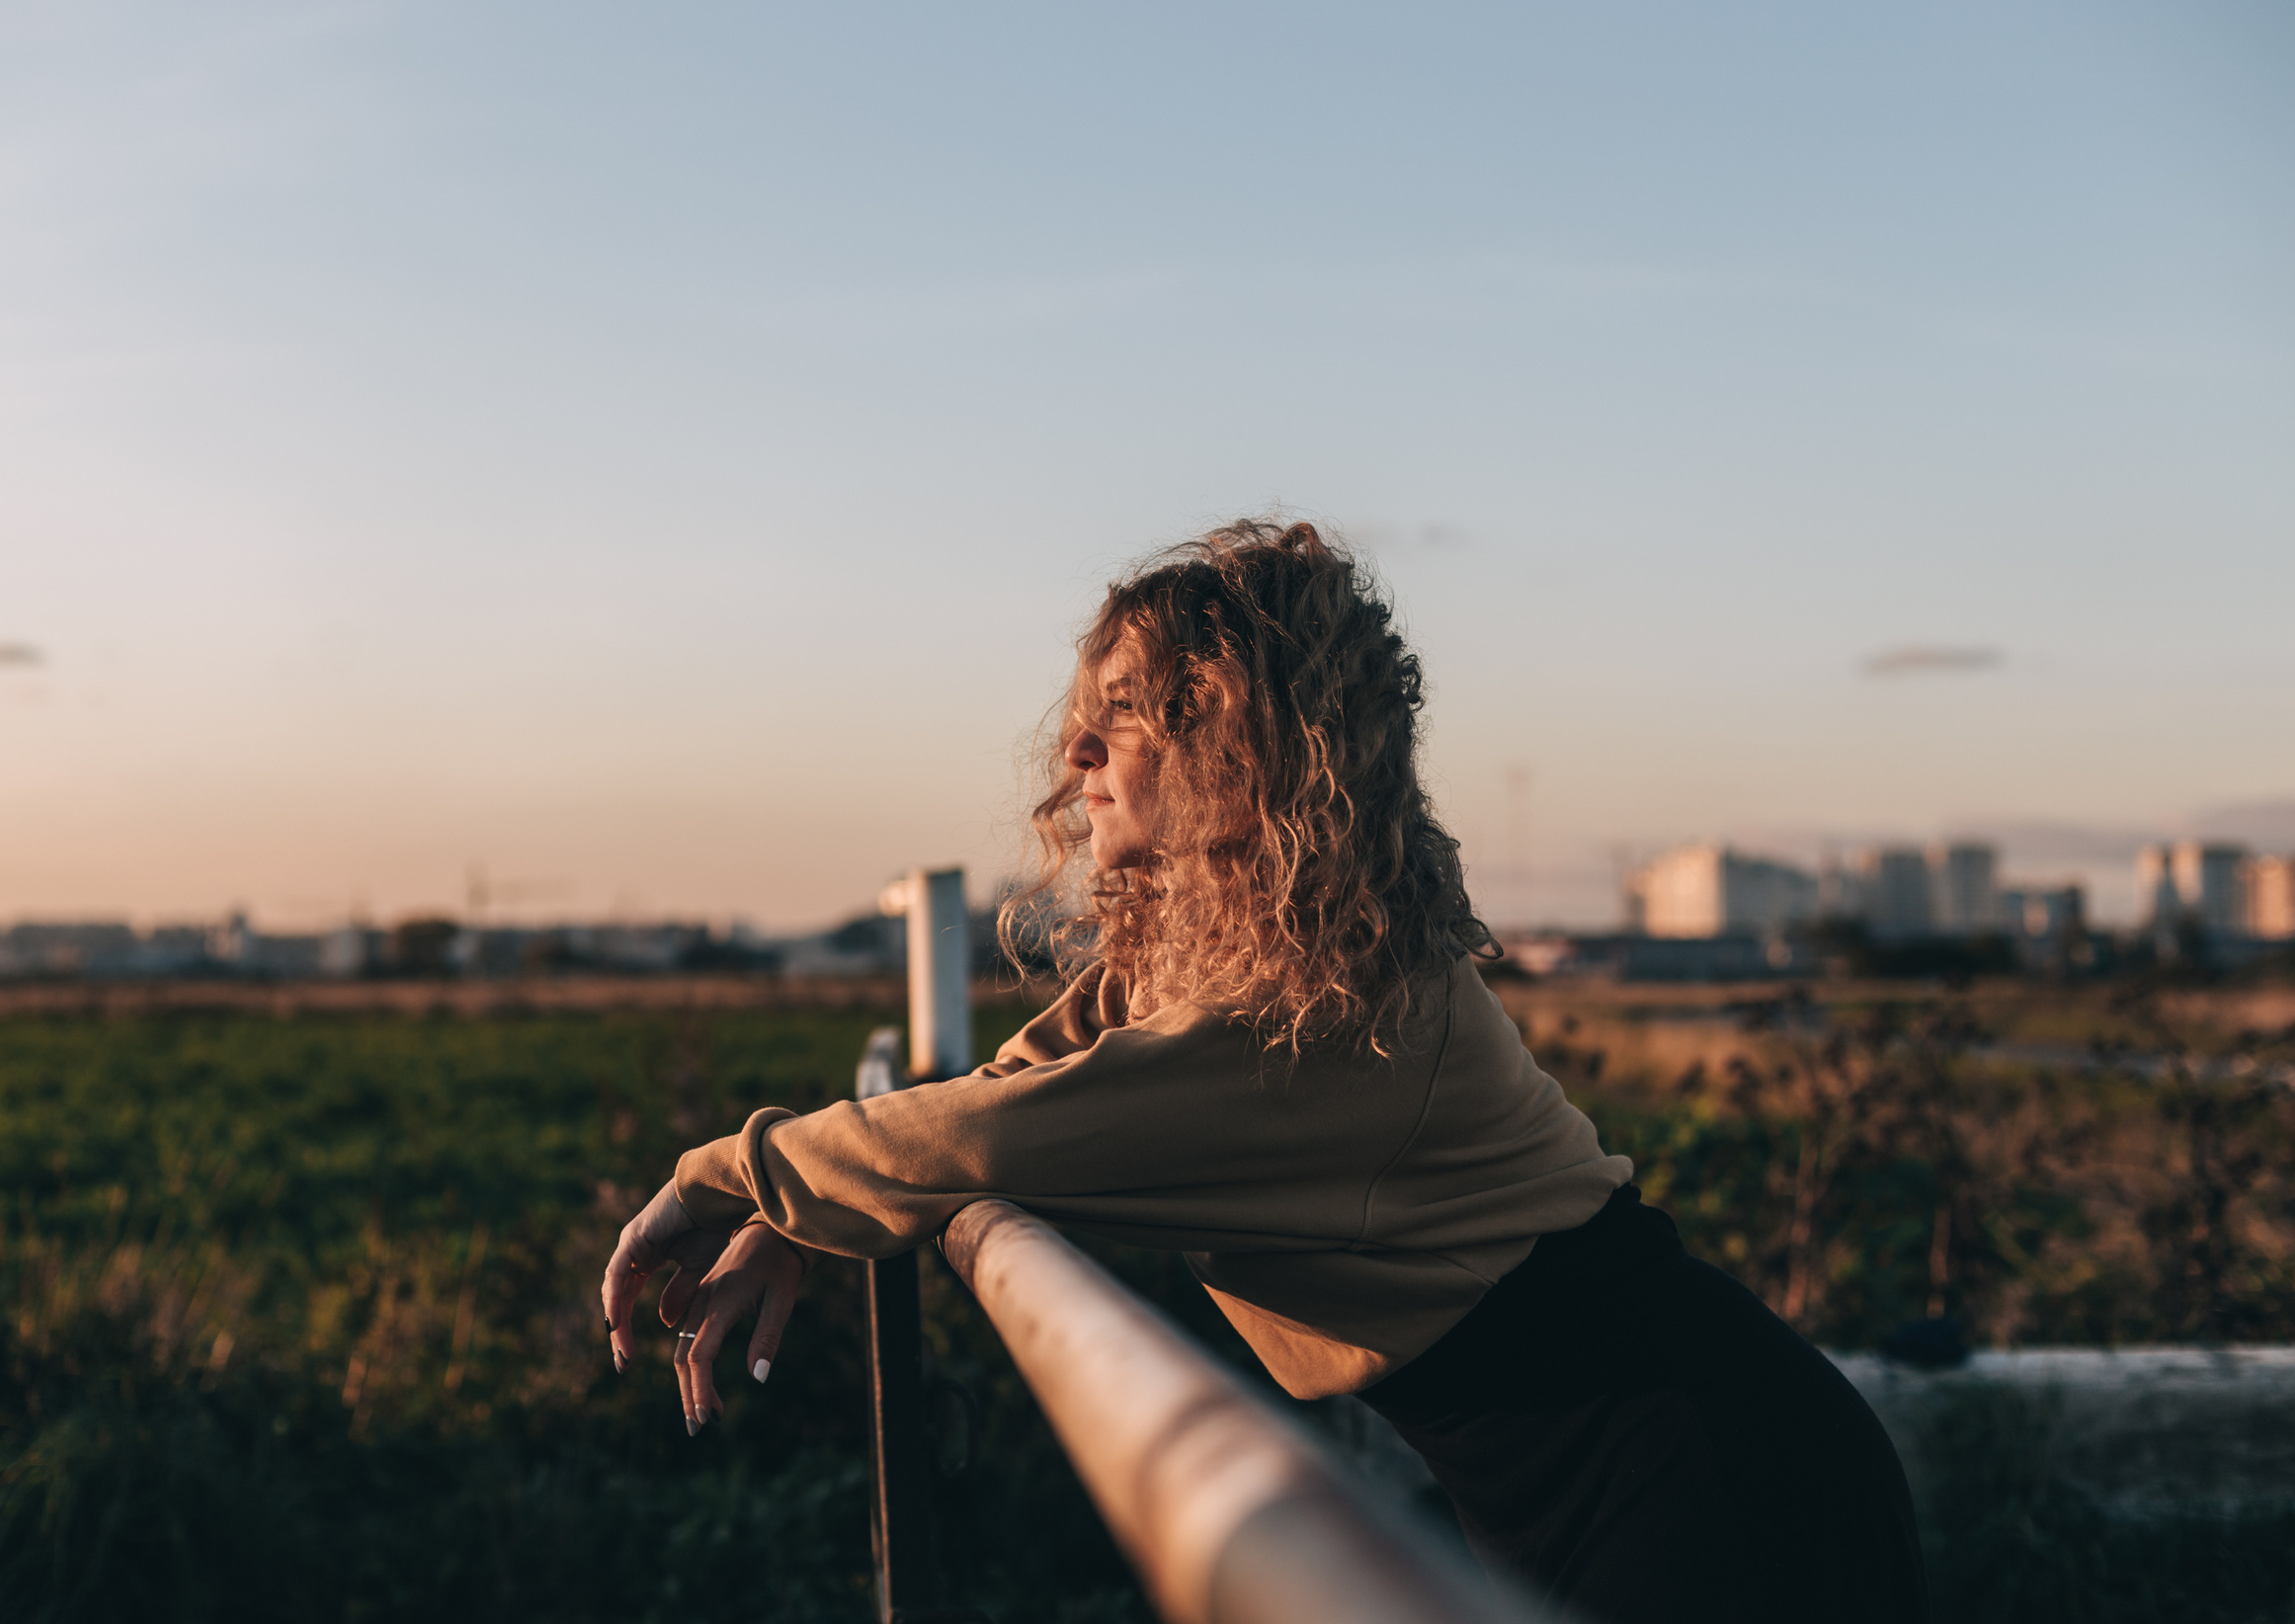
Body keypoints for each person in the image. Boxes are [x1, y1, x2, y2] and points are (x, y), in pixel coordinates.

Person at [599, 520, 1926, 1624]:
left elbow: (996, 1143)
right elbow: (1022, 1077)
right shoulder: (1242, 961)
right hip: (1583, 1468)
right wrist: (799, 1210)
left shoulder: (1320, 1017)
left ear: (1236, 735)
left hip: (1707, 1478)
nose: (1076, 757)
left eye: (1126, 716)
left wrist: (724, 1175)